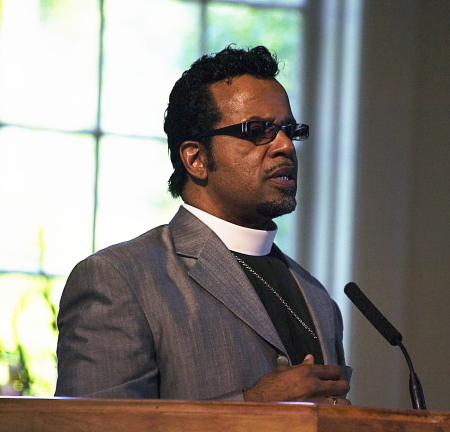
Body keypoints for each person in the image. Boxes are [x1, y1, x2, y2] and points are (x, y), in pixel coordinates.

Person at [55, 45, 351, 404]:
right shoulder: (120, 280)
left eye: (289, 130)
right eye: (258, 130)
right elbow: (93, 429)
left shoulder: (317, 296)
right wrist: (253, 406)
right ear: (196, 159)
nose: (285, 146)